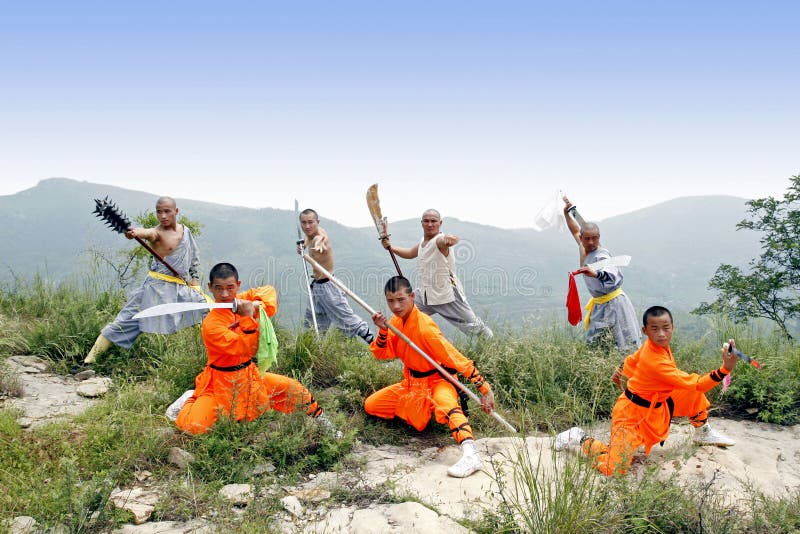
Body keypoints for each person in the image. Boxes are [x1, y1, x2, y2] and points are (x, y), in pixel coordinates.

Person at [554, 305, 738, 476]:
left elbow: (632, 359)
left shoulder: (653, 345)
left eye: (666, 327)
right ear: (645, 331)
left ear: (673, 327)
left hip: (658, 403)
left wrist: (619, 371)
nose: (661, 334)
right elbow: (698, 383)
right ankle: (578, 436)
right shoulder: (655, 361)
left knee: (690, 393)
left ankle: (703, 432)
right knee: (615, 468)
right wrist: (725, 369)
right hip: (632, 414)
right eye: (654, 329)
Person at [175, 262, 340, 437]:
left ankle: (325, 424)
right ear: (210, 288)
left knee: (294, 389)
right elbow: (246, 349)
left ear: (237, 285)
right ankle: (190, 399)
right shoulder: (211, 324)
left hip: (249, 375)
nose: (225, 294)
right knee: (194, 427)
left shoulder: (241, 300)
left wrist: (255, 305)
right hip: (220, 383)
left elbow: (269, 291)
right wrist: (247, 317)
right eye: (218, 289)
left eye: (230, 288)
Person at [366, 276, 495, 478]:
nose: (396, 306)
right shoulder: (394, 322)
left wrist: (484, 388)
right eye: (391, 301)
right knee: (372, 405)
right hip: (411, 383)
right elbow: (381, 353)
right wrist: (382, 331)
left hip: (437, 381)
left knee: (448, 406)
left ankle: (471, 452)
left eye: (401, 299)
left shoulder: (425, 327)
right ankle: (417, 411)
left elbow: (454, 357)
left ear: (412, 297)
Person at [85, 196, 207, 363]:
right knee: (124, 321)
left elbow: (194, 259)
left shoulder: (186, 232)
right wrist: (133, 233)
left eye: (167, 211)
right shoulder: (156, 233)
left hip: (180, 287)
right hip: (155, 288)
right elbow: (144, 232)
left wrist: (195, 283)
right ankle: (88, 361)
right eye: (159, 212)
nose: (163, 216)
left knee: (209, 310)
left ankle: (211, 358)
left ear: (176, 212)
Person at [380, 209, 493, 338]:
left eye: (433, 221)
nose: (430, 224)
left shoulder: (439, 240)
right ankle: (394, 349)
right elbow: (411, 253)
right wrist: (390, 247)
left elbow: (444, 241)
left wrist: (449, 240)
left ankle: (493, 346)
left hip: (446, 296)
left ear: (440, 223)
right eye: (426, 221)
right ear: (421, 223)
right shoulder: (424, 241)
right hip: (425, 294)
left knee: (474, 327)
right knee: (401, 317)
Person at [563, 197, 641, 349]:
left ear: (599, 238)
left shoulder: (602, 255)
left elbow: (611, 271)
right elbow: (575, 228)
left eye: (594, 238)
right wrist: (567, 213)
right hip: (599, 304)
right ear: (582, 238)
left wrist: (596, 274)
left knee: (624, 344)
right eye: (587, 239)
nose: (591, 242)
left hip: (615, 304)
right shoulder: (582, 247)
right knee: (597, 345)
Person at [297, 208, 374, 343]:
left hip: (328, 287)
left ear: (317, 222)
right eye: (303, 223)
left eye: (310, 222)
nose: (307, 226)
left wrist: (319, 243)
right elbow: (309, 236)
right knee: (312, 326)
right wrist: (303, 245)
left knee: (348, 320)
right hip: (316, 288)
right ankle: (309, 355)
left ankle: (378, 345)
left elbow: (320, 238)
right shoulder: (312, 233)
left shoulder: (320, 237)